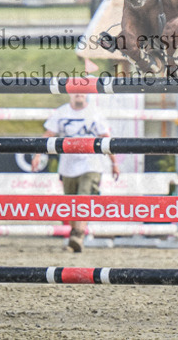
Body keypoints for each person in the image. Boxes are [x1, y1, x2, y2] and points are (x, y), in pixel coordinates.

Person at [31, 92, 119, 252]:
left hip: (91, 164)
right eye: (76, 91)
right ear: (70, 94)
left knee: (83, 199)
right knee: (71, 203)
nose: (79, 94)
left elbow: (105, 138)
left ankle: (78, 235)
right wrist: (38, 153)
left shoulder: (95, 113)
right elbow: (48, 134)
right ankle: (75, 236)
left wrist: (114, 162)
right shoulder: (61, 112)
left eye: (82, 91)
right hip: (68, 165)